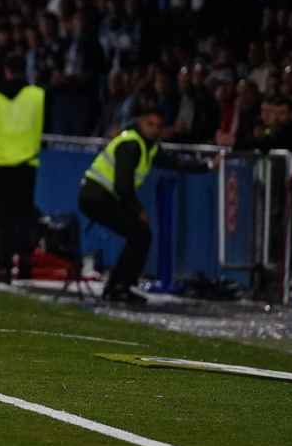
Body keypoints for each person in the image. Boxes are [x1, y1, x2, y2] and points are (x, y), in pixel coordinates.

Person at [78, 105, 214, 305]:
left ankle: (118, 285)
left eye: (158, 126)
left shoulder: (146, 146)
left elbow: (173, 162)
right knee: (140, 234)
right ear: (141, 122)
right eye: (150, 124)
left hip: (99, 197)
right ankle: (119, 287)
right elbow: (122, 185)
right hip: (96, 197)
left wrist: (208, 165)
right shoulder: (131, 144)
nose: (154, 130)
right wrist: (138, 210)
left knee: (139, 234)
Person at [0, 54, 44, 285]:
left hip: (0, 167)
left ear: (6, 71)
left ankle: (3, 267)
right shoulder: (37, 95)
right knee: (24, 216)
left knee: (1, 220)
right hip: (26, 166)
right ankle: (24, 264)